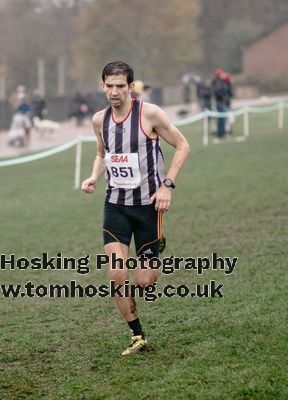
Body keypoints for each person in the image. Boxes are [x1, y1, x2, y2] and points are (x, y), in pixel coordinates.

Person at [81, 61, 190, 356]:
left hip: (147, 207)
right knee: (117, 274)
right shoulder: (98, 120)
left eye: (120, 86)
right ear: (102, 85)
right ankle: (136, 334)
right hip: (115, 205)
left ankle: (156, 247)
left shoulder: (150, 114)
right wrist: (94, 175)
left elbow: (182, 146)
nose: (114, 92)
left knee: (143, 281)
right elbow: (103, 154)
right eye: (109, 86)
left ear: (131, 87)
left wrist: (167, 185)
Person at [212, 68, 229, 138]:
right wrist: (223, 97)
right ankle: (221, 134)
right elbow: (218, 92)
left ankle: (222, 134)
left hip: (220, 102)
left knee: (222, 119)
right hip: (220, 102)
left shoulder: (219, 81)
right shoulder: (218, 82)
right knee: (221, 119)